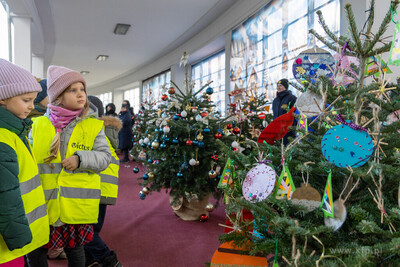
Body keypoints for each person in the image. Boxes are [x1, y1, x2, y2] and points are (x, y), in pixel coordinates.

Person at [27, 65, 111, 267]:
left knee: (75, 249)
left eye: (82, 89)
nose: (80, 94)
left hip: (75, 204)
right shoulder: (38, 125)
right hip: (44, 202)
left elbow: (105, 157)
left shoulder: (92, 125)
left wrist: (81, 159)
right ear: (57, 96)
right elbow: (29, 159)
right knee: (37, 248)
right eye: (72, 90)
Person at [0, 59, 49, 266]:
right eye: (26, 100)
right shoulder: (4, 139)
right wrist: (18, 237)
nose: (32, 106)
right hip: (9, 244)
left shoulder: (14, 131)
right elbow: (6, 195)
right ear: (3, 99)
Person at [85, 96, 122, 267]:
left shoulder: (95, 131)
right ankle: (90, 261)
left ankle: (109, 260)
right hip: (105, 188)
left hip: (95, 186)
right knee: (93, 229)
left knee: (87, 232)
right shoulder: (108, 131)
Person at [272, 78, 297, 146]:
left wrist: (291, 126)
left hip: (288, 129)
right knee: (278, 148)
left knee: (287, 147)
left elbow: (295, 113)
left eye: (281, 86)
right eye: (278, 85)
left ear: (285, 87)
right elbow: (274, 114)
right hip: (277, 128)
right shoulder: (275, 101)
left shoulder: (292, 98)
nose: (278, 87)